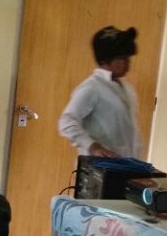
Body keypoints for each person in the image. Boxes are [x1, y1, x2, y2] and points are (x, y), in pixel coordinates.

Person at [58, 26, 143, 160]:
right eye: (121, 58)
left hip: (127, 165)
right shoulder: (92, 87)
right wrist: (93, 146)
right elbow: (67, 122)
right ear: (104, 59)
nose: (127, 63)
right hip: (100, 168)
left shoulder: (127, 88)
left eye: (128, 58)